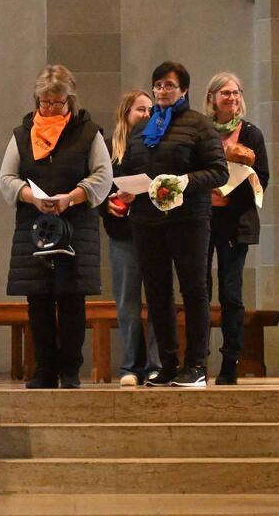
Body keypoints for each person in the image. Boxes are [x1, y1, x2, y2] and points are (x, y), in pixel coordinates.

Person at [0, 65, 111, 389]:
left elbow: (102, 175)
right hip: (35, 228)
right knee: (39, 299)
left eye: (57, 103)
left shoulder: (89, 132)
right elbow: (7, 178)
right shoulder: (22, 134)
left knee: (72, 298)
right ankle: (44, 369)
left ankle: (70, 370)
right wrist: (31, 197)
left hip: (75, 226)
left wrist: (72, 198)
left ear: (70, 101)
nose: (49, 108)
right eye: (44, 102)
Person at [119, 62, 227, 388]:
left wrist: (183, 181)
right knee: (156, 291)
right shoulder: (140, 129)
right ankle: (168, 363)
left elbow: (218, 171)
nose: (162, 91)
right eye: (158, 86)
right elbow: (131, 167)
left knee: (194, 290)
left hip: (189, 219)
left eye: (169, 85)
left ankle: (196, 365)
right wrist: (126, 189)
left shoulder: (199, 125)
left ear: (183, 90)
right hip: (146, 220)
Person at [203, 72, 269, 385]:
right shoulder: (201, 131)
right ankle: (197, 361)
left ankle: (230, 362)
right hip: (201, 219)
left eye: (236, 92)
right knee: (199, 291)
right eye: (225, 93)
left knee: (231, 293)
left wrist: (231, 189)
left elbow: (263, 178)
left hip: (235, 220)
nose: (232, 97)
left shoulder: (252, 134)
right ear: (212, 98)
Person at [101, 90, 160, 386]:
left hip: (156, 233)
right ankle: (130, 367)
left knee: (159, 299)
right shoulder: (110, 148)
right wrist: (106, 204)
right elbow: (97, 186)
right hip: (124, 234)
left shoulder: (159, 145)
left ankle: (156, 365)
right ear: (126, 114)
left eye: (151, 110)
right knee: (128, 303)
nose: (147, 115)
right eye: (140, 110)